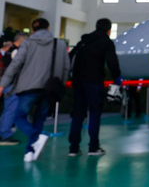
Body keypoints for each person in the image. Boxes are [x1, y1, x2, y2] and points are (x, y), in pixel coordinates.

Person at [0, 18, 70, 162]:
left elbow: (16, 64)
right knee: (39, 119)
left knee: (18, 116)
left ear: (32, 30)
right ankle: (30, 152)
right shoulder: (60, 44)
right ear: (49, 27)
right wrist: (60, 85)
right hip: (50, 88)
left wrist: (3, 83)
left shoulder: (28, 42)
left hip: (29, 87)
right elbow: (66, 67)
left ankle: (34, 142)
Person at [68, 18, 121, 157]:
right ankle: (93, 147)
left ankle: (73, 148)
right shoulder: (106, 42)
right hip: (94, 81)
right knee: (94, 113)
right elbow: (112, 63)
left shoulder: (84, 41)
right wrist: (117, 78)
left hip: (77, 81)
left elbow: (70, 57)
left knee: (78, 114)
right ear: (108, 30)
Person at [0, 32, 28, 146]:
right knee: (10, 110)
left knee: (9, 110)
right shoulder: (16, 52)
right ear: (22, 40)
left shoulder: (9, 51)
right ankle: (5, 135)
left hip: (8, 84)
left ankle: (4, 132)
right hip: (13, 85)